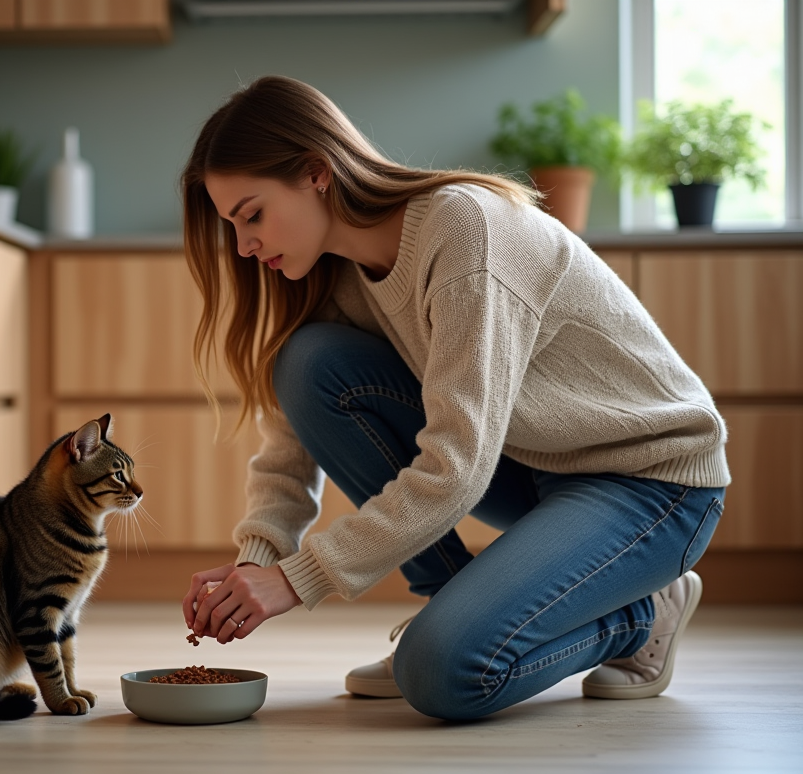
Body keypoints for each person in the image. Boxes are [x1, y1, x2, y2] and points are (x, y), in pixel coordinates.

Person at [178, 76, 729, 721]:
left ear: (316, 173)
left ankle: (641, 614)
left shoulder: (464, 231)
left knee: (441, 677)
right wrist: (254, 565)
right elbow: (287, 455)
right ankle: (450, 613)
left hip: (651, 485)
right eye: (232, 226)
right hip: (534, 465)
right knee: (307, 364)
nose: (243, 246)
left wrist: (296, 580)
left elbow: (457, 463)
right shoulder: (330, 275)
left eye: (252, 215)